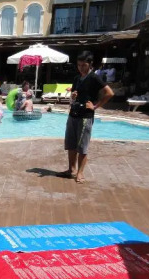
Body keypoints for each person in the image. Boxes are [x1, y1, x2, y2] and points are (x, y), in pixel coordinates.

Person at [58, 51, 114, 184]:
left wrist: (95, 106)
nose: (81, 68)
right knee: (71, 144)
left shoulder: (94, 78)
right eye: (79, 65)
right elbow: (73, 95)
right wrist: (73, 96)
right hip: (73, 114)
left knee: (82, 146)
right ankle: (71, 169)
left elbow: (110, 93)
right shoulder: (77, 78)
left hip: (85, 116)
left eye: (84, 65)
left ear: (90, 64)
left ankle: (80, 172)